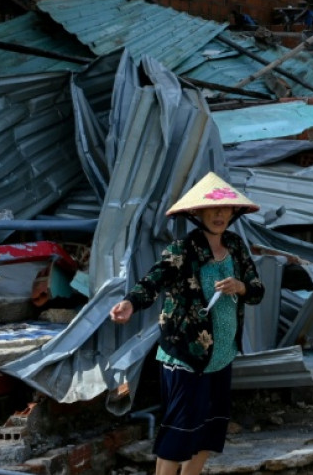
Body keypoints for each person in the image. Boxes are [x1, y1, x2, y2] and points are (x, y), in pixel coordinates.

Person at [109, 172, 265, 475]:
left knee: (209, 428)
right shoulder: (183, 249)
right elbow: (153, 281)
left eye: (225, 209)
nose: (219, 214)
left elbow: (257, 290)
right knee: (179, 430)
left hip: (221, 355)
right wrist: (129, 302)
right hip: (185, 354)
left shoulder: (235, 246)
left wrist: (241, 287)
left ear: (233, 213)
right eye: (213, 209)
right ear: (198, 213)